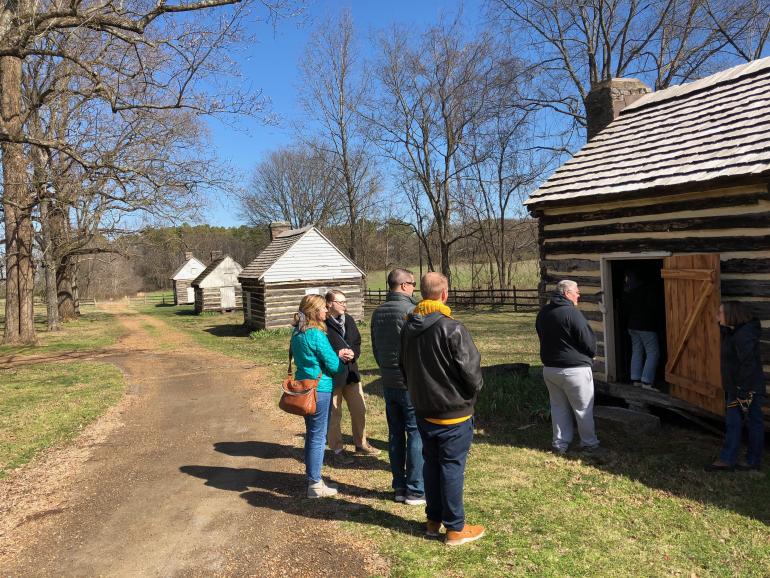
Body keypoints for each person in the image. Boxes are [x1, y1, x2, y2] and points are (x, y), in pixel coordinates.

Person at [400, 272, 485, 546]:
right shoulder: (452, 328)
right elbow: (471, 373)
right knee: (450, 467)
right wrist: (471, 392)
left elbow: (402, 367)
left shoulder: (408, 327)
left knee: (432, 464)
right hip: (453, 412)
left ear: (422, 294)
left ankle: (433, 521)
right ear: (444, 294)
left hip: (424, 409)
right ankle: (456, 528)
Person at [290, 294, 354, 498]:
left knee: (311, 434)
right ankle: (315, 484)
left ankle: (312, 477)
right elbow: (334, 366)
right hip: (320, 389)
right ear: (314, 311)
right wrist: (338, 357)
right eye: (323, 308)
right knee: (318, 437)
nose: (327, 310)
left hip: (304, 388)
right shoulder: (316, 334)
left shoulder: (297, 332)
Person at [370, 268, 425, 505]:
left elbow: (375, 347)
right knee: (415, 433)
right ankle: (415, 489)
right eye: (412, 284)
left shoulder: (377, 312)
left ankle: (399, 487)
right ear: (403, 286)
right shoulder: (411, 311)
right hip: (409, 382)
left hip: (388, 380)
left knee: (395, 434)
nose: (414, 288)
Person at [536, 279, 600, 455]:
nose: (579, 294)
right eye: (576, 291)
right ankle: (589, 444)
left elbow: (541, 335)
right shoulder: (572, 313)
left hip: (550, 369)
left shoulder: (543, 313)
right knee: (583, 409)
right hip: (575, 370)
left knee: (558, 407)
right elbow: (587, 340)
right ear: (566, 293)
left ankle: (560, 444)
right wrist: (591, 353)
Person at [706, 301, 765, 472]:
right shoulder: (736, 332)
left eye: (720, 313)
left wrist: (743, 391)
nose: (717, 316)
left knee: (743, 421)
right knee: (745, 421)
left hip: (745, 388)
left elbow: (748, 364)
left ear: (731, 315)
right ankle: (746, 460)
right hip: (740, 387)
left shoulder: (743, 336)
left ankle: (733, 459)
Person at [324, 290, 380, 466]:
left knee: (359, 409)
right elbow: (321, 347)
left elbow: (356, 341)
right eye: (340, 302)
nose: (344, 305)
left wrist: (353, 353)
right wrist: (337, 353)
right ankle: (337, 450)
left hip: (352, 373)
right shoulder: (322, 323)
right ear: (329, 304)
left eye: (345, 302)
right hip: (333, 375)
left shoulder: (348, 320)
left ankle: (361, 443)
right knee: (334, 414)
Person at [622, 269, 660, 389]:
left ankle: (636, 379)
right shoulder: (647, 289)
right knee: (653, 352)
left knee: (637, 351)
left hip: (632, 325)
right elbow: (653, 306)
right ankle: (647, 381)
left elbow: (626, 307)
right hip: (646, 326)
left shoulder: (628, 290)